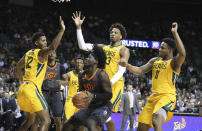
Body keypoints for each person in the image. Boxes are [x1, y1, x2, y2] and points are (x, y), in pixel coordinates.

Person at [119, 22, 186, 131]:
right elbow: (140, 70)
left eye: (162, 48)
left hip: (167, 97)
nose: (159, 49)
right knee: (141, 127)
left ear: (170, 50)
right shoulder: (154, 60)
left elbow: (182, 54)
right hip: (153, 98)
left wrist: (175, 33)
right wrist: (127, 65)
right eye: (160, 47)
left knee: (156, 120)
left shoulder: (174, 63)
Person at [72, 11, 130, 131]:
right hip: (100, 84)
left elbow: (121, 71)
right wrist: (78, 28)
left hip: (114, 85)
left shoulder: (124, 49)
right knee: (98, 117)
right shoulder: (102, 47)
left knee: (103, 115)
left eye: (115, 32)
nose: (112, 34)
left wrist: (110, 82)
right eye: (111, 32)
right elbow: (82, 46)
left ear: (121, 36)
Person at [16, 16, 65, 131]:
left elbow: (17, 67)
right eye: (43, 40)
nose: (45, 42)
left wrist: (22, 81)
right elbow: (53, 47)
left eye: (45, 40)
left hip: (23, 89)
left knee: (29, 121)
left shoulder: (29, 53)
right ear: (36, 43)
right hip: (32, 90)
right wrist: (62, 30)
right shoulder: (41, 52)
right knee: (46, 121)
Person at [62, 45, 112, 131]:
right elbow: (81, 91)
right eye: (86, 57)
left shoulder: (101, 74)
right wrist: (78, 99)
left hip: (103, 106)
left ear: (95, 61)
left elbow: (109, 95)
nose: (86, 59)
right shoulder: (81, 75)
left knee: (90, 122)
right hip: (90, 106)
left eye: (89, 58)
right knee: (67, 124)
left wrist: (94, 96)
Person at [41, 50, 66, 131]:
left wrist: (63, 83)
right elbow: (36, 80)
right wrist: (44, 78)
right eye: (49, 53)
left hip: (56, 94)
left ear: (56, 55)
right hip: (44, 93)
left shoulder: (61, 67)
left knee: (58, 121)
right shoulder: (42, 66)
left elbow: (66, 81)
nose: (51, 54)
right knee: (43, 120)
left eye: (53, 53)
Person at [60, 56, 84, 121]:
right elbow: (63, 81)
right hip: (71, 99)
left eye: (80, 63)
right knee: (66, 120)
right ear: (75, 64)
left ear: (83, 65)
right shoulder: (70, 74)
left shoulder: (86, 75)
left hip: (82, 100)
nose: (79, 64)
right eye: (77, 62)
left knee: (80, 122)